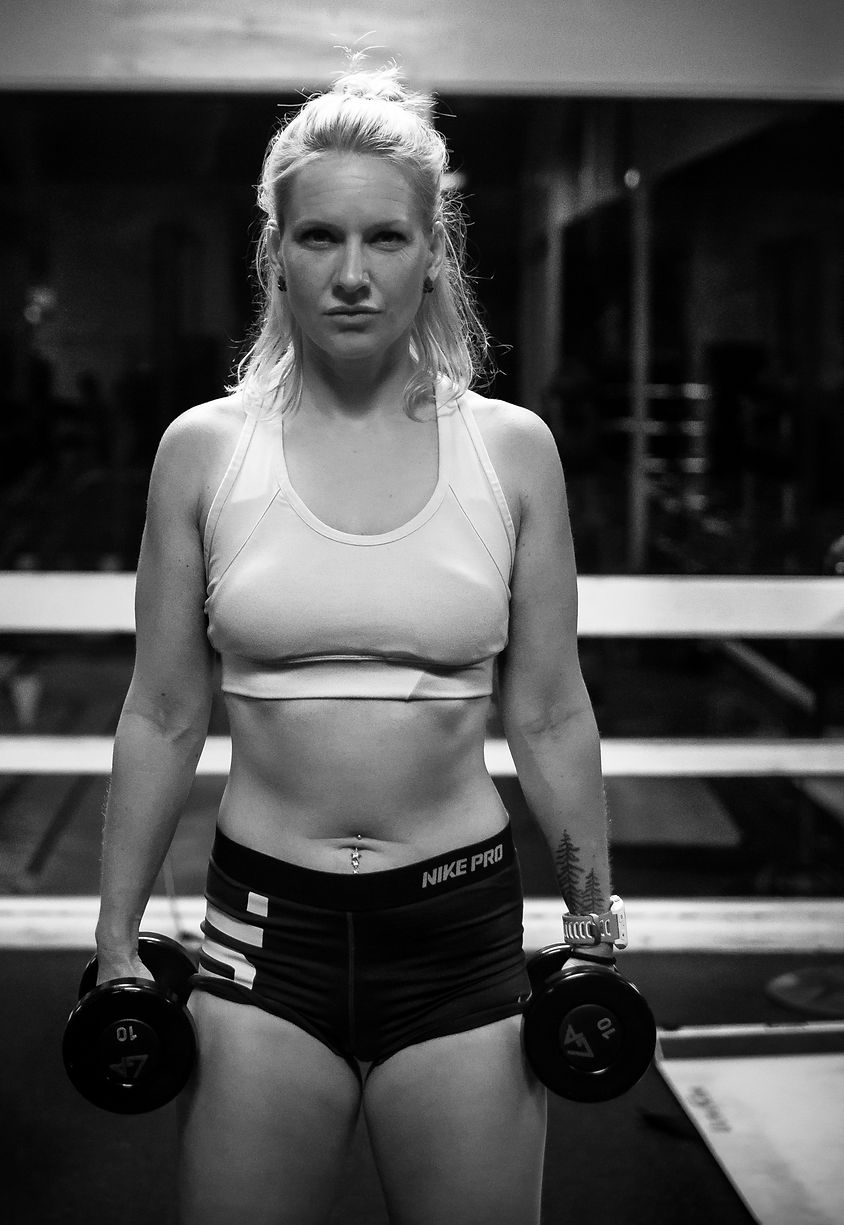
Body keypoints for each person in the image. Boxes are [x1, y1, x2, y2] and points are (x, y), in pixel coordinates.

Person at [95, 57, 615, 1225]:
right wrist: (114, 930)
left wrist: (591, 921)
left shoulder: (511, 450)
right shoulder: (204, 450)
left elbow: (548, 711)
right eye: (318, 236)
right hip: (259, 939)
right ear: (274, 250)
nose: (349, 272)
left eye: (384, 237)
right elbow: (161, 710)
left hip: (457, 937)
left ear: (433, 251)